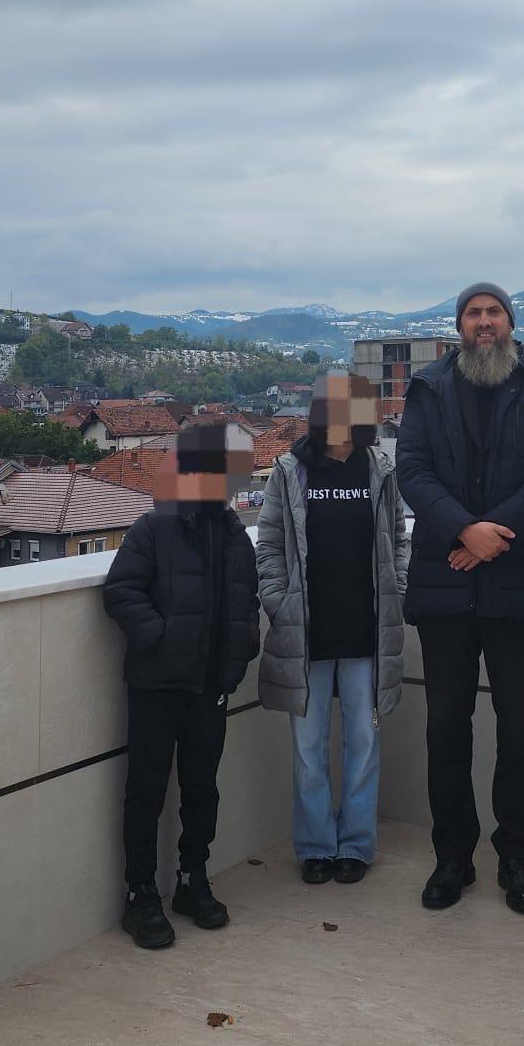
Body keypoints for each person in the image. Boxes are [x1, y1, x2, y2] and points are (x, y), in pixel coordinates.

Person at [396, 282, 524, 915]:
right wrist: (463, 530)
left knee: (519, 729)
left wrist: (491, 536)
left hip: (517, 582)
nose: (483, 322)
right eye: (473, 313)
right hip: (445, 586)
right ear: (458, 326)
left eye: (493, 312)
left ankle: (516, 859)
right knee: (445, 728)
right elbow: (412, 470)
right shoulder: (427, 388)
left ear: (510, 323)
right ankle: (452, 857)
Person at [102, 420, 259, 949]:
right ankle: (141, 894)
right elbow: (121, 592)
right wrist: (162, 639)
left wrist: (240, 652)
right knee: (146, 791)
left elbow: (246, 605)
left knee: (201, 789)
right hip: (156, 685)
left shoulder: (235, 536)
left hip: (210, 687)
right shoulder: (154, 528)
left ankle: (193, 881)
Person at [256, 371, 409, 883]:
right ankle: (317, 846)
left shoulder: (379, 470)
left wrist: (397, 591)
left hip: (367, 630)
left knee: (363, 744)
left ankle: (356, 847)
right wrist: (279, 602)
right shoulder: (290, 471)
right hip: (306, 633)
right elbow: (269, 546)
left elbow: (398, 539)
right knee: (308, 748)